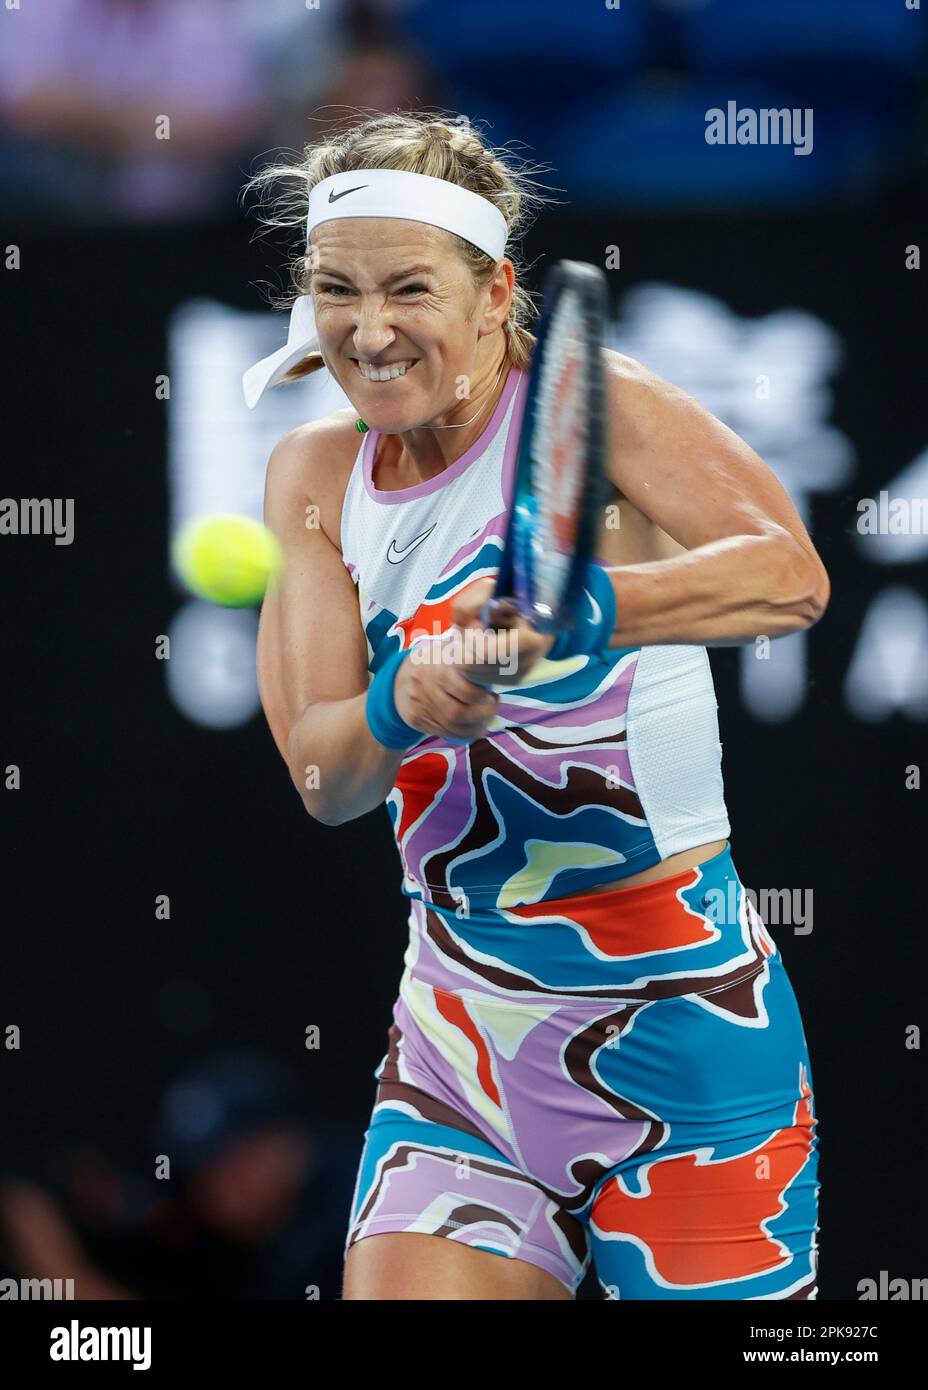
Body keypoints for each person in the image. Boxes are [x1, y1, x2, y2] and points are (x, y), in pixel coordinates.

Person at [243, 111, 829, 1301]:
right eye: (337, 291)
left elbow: (790, 576)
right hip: (462, 1050)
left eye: (408, 288)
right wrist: (405, 699)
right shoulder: (310, 476)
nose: (368, 329)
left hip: (691, 1047)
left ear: (493, 291)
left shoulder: (601, 403)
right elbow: (322, 775)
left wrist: (591, 612)